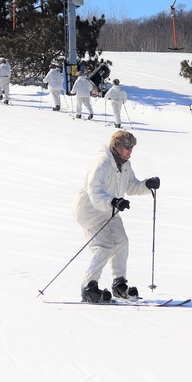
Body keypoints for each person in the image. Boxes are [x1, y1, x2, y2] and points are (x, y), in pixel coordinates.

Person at [71, 130, 160, 303]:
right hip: (89, 211)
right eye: (126, 147)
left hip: (109, 210)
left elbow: (132, 186)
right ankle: (88, 287)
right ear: (116, 146)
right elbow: (95, 192)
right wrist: (113, 202)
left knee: (121, 241)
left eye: (131, 147)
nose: (129, 151)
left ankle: (119, 284)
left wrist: (147, 185)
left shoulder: (125, 164)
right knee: (104, 246)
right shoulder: (102, 164)